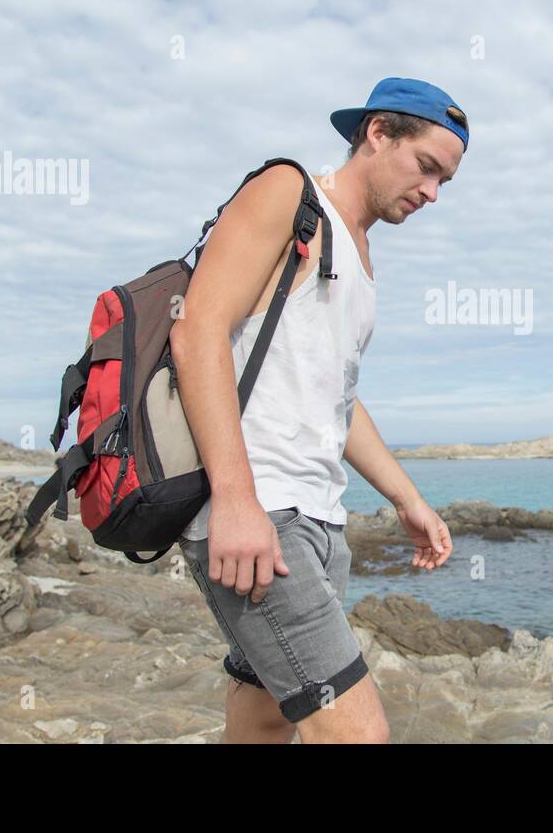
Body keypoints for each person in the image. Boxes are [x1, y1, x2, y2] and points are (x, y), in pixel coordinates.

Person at [169, 77, 467, 743]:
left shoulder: (360, 255)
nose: (432, 194)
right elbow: (197, 330)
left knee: (264, 717)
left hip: (319, 519)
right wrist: (237, 502)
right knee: (358, 735)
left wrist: (406, 498)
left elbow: (339, 401)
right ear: (378, 132)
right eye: (427, 168)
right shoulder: (287, 192)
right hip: (260, 513)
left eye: (446, 181)